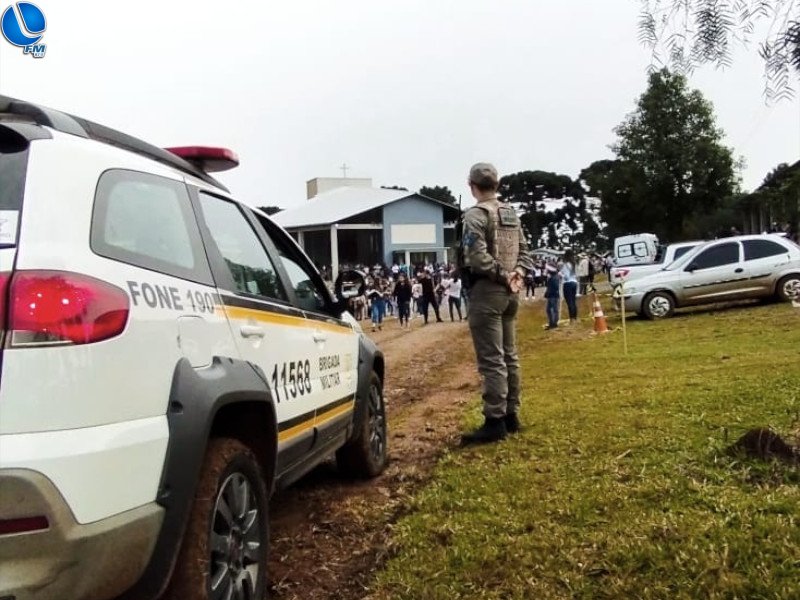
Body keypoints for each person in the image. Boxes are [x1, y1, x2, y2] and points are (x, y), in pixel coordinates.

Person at [460, 162, 534, 445]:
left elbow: (476, 256)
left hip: (487, 290)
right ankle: (511, 414)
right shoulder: (510, 213)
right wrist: (517, 275)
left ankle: (494, 420)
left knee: (492, 359)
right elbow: (525, 251)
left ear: (472, 186)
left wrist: (502, 276)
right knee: (509, 355)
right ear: (497, 185)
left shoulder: (476, 215)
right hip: (511, 292)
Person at [561, 249, 579, 323]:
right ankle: (575, 317)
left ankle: (572, 318)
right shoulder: (574, 263)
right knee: (573, 301)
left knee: (569, 301)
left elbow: (566, 276)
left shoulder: (566, 264)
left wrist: (561, 274)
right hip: (574, 282)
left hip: (567, 283)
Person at [544, 264, 560, 329]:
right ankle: (551, 322)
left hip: (553, 296)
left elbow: (555, 287)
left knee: (554, 309)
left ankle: (554, 323)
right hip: (551, 295)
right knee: (549, 310)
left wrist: (549, 292)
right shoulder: (552, 277)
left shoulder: (554, 277)